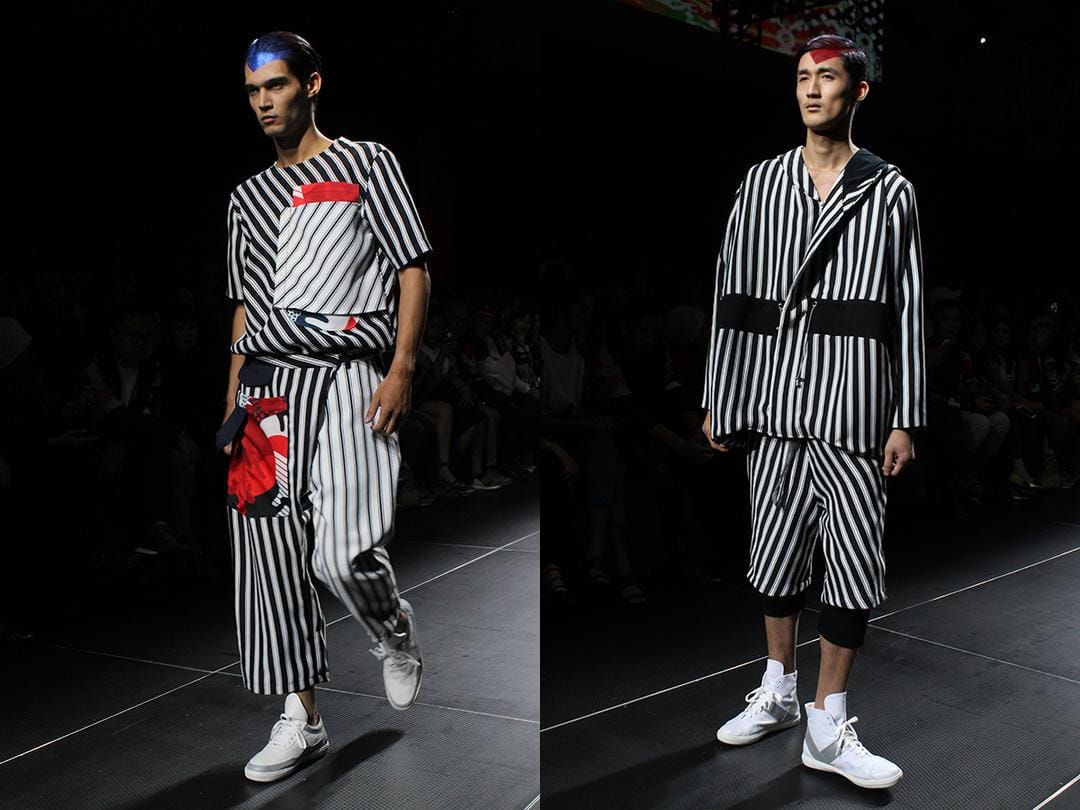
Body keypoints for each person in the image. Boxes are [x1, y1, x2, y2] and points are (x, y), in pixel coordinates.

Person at [702, 33, 925, 789]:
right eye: (802, 76)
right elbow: (732, 294)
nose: (811, 88)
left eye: (827, 77)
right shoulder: (762, 182)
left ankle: (828, 724)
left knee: (852, 568)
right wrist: (722, 395)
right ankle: (777, 691)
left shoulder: (888, 188)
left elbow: (908, 309)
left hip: (854, 404)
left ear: (857, 92)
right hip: (774, 399)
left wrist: (905, 416)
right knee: (773, 557)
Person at [218, 31, 431, 783]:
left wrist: (401, 367)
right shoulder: (246, 199)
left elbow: (412, 267)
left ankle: (392, 627)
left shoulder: (367, 162)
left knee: (342, 553)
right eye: (253, 91)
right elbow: (245, 307)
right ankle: (301, 718)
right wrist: (232, 403)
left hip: (346, 376)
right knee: (268, 558)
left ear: (311, 84)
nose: (263, 102)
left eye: (275, 85)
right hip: (264, 389)